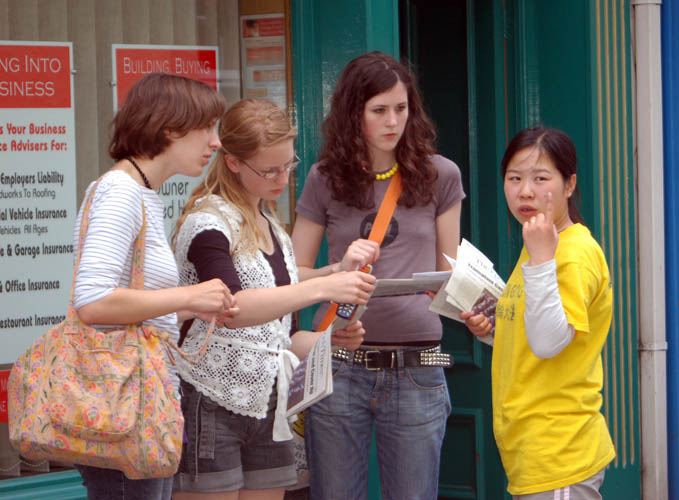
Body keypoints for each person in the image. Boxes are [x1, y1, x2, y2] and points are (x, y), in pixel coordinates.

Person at [171, 98, 376, 500]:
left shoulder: (271, 225)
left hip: (269, 401)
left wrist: (329, 339)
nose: (282, 178)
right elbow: (231, 308)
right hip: (210, 397)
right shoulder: (208, 224)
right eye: (269, 170)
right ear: (232, 162)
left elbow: (283, 336)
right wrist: (324, 286)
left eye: (288, 165)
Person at [290, 51, 465, 500]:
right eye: (379, 110)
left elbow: (450, 273)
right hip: (339, 363)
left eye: (401, 108)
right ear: (354, 114)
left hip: (417, 365)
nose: (393, 121)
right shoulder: (324, 178)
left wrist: (470, 300)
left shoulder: (440, 174)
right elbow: (293, 276)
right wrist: (337, 269)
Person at [72, 73, 239, 500]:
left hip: (138, 395)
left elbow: (128, 305)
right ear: (169, 128)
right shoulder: (121, 192)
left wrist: (188, 308)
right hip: (123, 401)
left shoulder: (139, 192)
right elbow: (93, 301)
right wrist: (188, 295)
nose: (216, 142)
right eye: (207, 128)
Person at [460, 127, 616, 499]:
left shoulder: (571, 253)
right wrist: (492, 330)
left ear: (569, 184)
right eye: (514, 178)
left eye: (541, 178)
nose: (525, 191)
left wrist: (543, 260)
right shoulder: (539, 244)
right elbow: (538, 335)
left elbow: (548, 343)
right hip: (534, 453)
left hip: (560, 451)